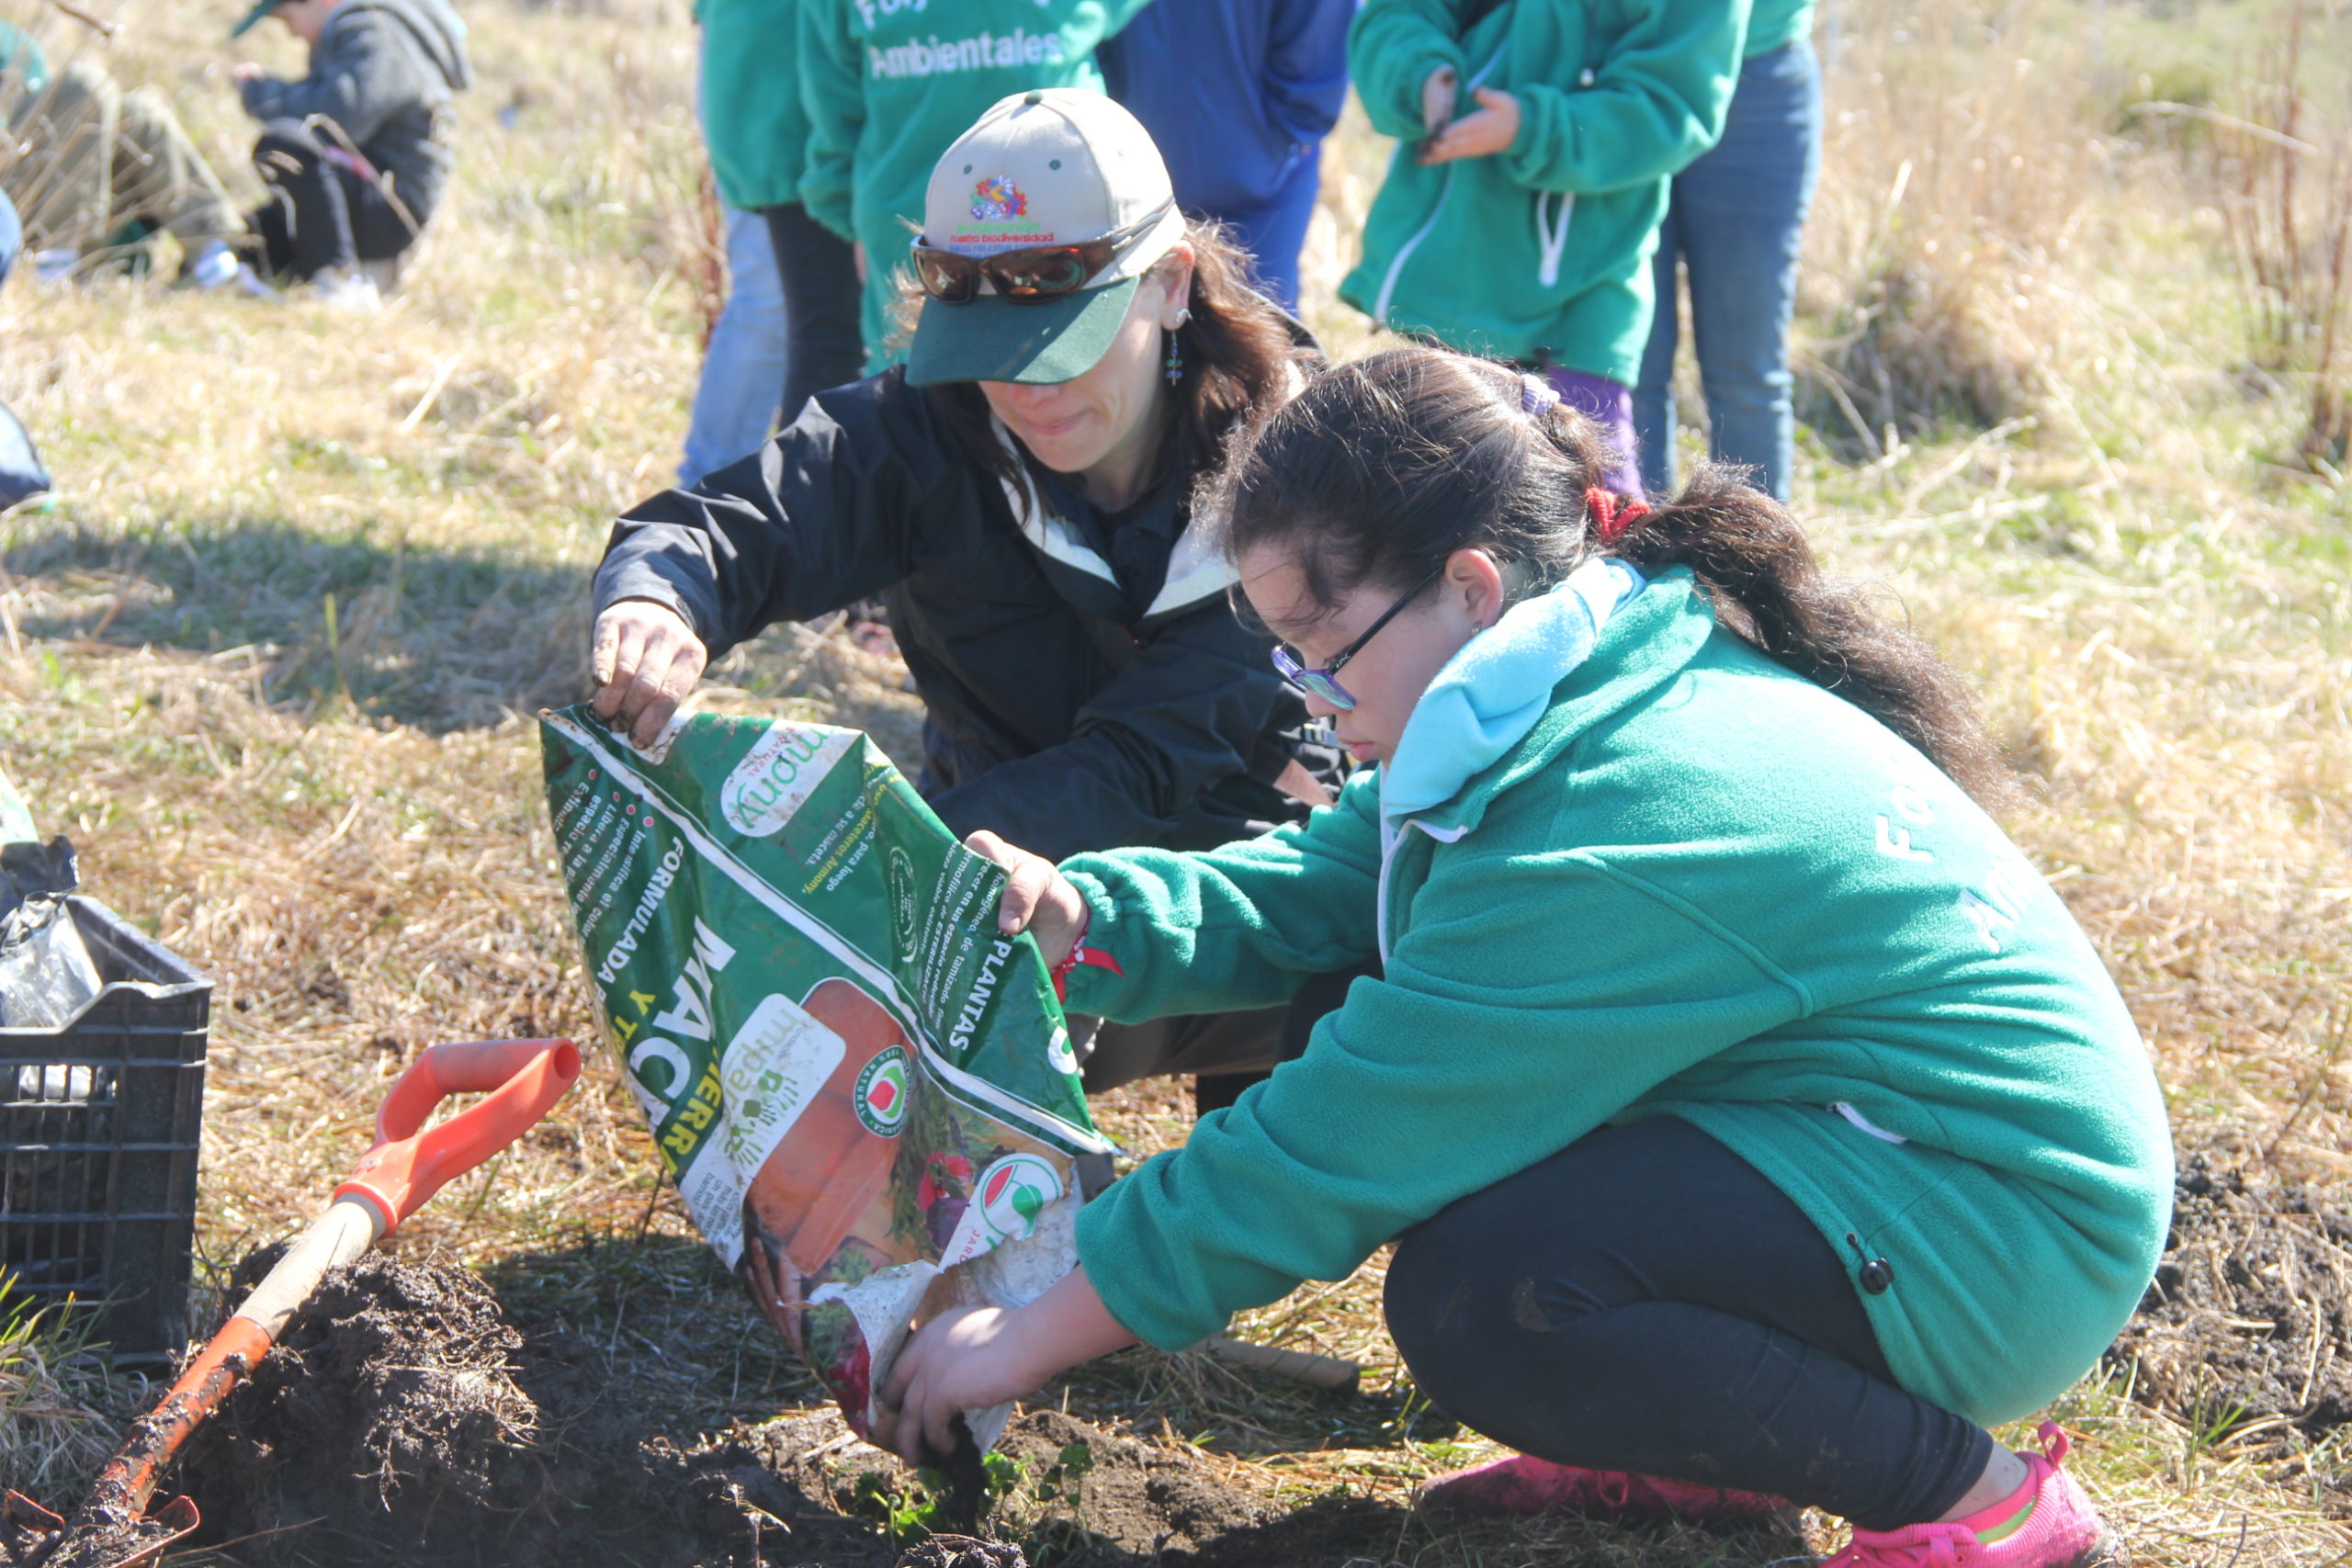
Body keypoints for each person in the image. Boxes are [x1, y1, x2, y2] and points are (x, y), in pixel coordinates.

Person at [876, 345, 2174, 1568]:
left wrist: (1036, 1315)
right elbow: (1327, 884)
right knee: (1348, 996)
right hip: (1866, 1144)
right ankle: (1692, 1446)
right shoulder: (1567, 684)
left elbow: (1342, 1137)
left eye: (1326, 654)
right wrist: (1084, 916)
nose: (1310, 698)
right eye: (1288, 656)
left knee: (1492, 1300)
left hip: (2001, 1230)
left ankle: (1984, 1505)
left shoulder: (1603, 821)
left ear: (1470, 587)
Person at [591, 90, 1340, 1106]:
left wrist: (883, 879)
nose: (1028, 389)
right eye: (988, 349)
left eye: (1065, 342)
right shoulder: (928, 429)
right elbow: (739, 523)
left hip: (1225, 888)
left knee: (1326, 1009)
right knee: (896, 1065)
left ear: (1170, 284)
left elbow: (1141, 757)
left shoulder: (1296, 480)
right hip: (983, 854)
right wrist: (659, 598)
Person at [1341, 0, 1751, 498]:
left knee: (1592, 499)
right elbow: (1398, 15)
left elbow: (1672, 106)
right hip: (1456, 267)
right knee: (1440, 498)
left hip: (1582, 287)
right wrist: (1420, 75)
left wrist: (1531, 127)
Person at [796, 0, 1153, 373]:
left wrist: (848, 215)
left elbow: (832, 121)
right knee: (1062, 378)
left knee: (918, 388)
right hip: (1062, 232)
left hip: (909, 226)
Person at [1634, 0, 1820, 502]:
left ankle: (1753, 551)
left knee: (1746, 372)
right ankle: (1632, 546)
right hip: (1627, 70)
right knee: (1630, 364)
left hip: (1754, 72)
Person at [1097, 0, 1352, 315]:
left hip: (1260, 195)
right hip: (1130, 195)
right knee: (1132, 332)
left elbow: (1319, 40)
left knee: (1260, 332)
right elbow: (1082, 30)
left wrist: (1279, 140)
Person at [695, 0, 861, 447]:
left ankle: (727, 478)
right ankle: (722, 479)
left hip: (781, 69)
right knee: (816, 327)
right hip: (787, 81)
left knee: (811, 324)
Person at [230, 0, 471, 307]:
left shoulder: (372, 30)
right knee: (254, 237)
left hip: (393, 208)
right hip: (370, 195)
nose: (293, 34)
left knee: (284, 145)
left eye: (288, 18)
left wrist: (259, 91)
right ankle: (242, 274)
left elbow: (336, 117)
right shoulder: (362, 30)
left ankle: (340, 282)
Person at [0, 21, 252, 288]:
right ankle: (55, 262)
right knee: (84, 83)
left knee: (137, 112)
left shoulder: (15, 41)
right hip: (13, 203)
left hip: (42, 185)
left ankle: (217, 256)